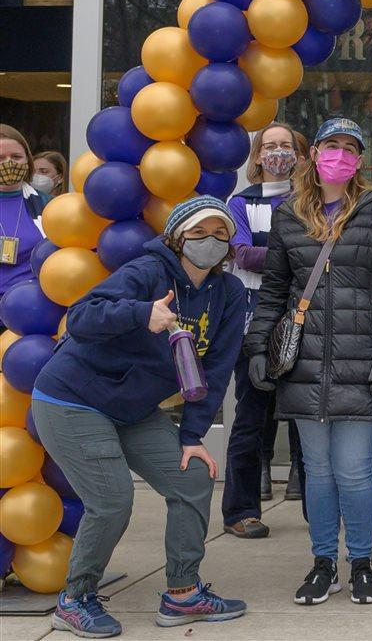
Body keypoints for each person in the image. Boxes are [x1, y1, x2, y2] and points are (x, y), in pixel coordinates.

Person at [34, 196, 250, 637]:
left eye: (220, 233)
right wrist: (140, 313)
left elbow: (215, 370)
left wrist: (193, 435)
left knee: (192, 477)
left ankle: (183, 594)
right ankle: (75, 599)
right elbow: (80, 318)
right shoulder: (147, 272)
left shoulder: (228, 293)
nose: (209, 241)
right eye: (198, 232)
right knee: (112, 500)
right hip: (74, 398)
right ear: (176, 237)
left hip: (132, 408)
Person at [246, 117, 372, 606]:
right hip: (305, 361)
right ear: (313, 153)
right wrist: (258, 345)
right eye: (331, 145)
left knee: (356, 469)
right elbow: (275, 290)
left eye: (349, 148)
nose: (339, 155)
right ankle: (324, 562)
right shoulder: (288, 215)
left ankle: (360, 563)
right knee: (317, 471)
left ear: (360, 159)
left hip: (363, 361)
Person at [222, 123, 308, 538]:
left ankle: (316, 507)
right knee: (250, 417)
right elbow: (240, 253)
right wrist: (296, 252)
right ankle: (241, 510)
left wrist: (269, 252)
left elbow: (260, 255)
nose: (278, 153)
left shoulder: (311, 200)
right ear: (257, 157)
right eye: (270, 146)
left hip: (306, 318)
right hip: (253, 322)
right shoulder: (240, 203)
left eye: (286, 146)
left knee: (309, 416)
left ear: (300, 154)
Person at [0, 125, 48, 304]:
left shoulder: (47, 205)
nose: (9, 163)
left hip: (31, 308)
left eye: (16, 157)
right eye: (0, 158)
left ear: (28, 161)